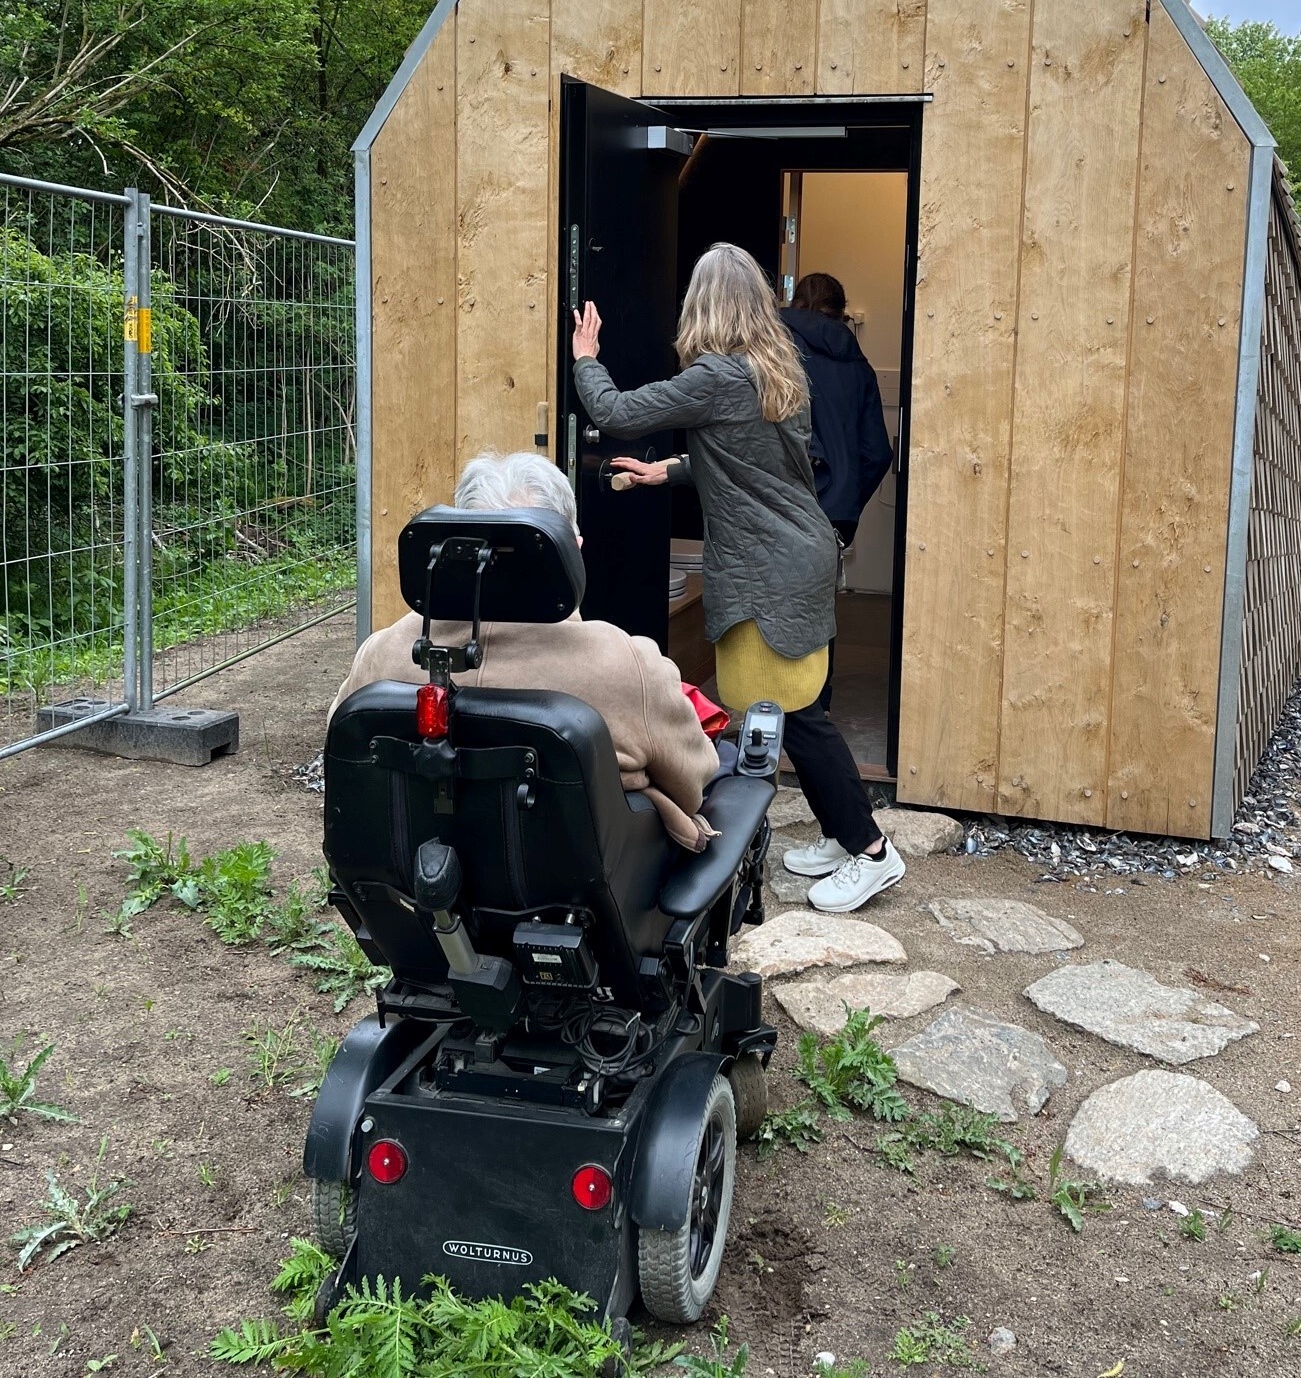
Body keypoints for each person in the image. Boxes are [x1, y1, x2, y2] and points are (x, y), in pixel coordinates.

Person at [571, 241, 905, 914]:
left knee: (793, 713)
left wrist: (586, 359)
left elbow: (617, 413)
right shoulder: (775, 367)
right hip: (796, 554)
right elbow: (750, 461)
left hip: (770, 567)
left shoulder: (718, 376)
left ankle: (872, 850)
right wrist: (665, 470)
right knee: (790, 709)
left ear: (704, 305)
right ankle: (841, 836)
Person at [329, 451, 721, 852]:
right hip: (580, 885)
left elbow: (341, 754)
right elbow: (693, 782)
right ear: (574, 549)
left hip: (409, 878)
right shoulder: (625, 663)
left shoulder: (382, 653)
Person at [781, 272, 892, 551]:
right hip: (838, 515)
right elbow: (878, 454)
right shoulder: (860, 368)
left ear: (796, 304)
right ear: (841, 314)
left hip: (784, 505)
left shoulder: (773, 352)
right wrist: (848, 496)